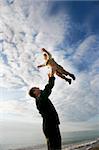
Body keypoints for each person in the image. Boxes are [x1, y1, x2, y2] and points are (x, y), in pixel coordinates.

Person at [29, 68, 61, 150]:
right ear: (34, 92)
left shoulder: (40, 98)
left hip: (50, 124)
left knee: (54, 145)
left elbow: (46, 91)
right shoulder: (40, 99)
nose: (38, 87)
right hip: (50, 125)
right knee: (55, 145)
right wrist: (51, 77)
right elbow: (48, 88)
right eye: (36, 88)